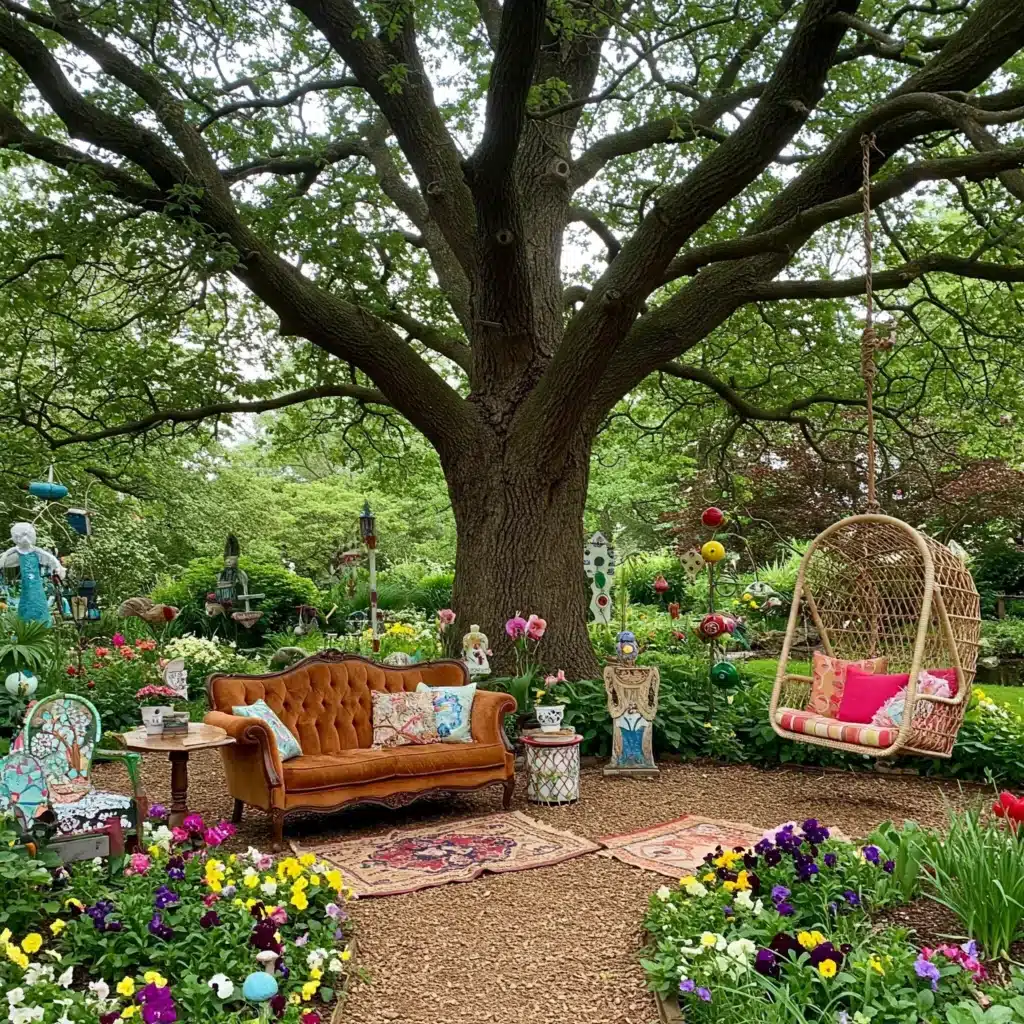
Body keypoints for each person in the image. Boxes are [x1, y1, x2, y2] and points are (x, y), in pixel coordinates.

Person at [0, 522, 65, 625]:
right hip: (27, 584)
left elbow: (50, 559)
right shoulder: (15, 552)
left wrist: (57, 568)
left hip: (36, 583)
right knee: (27, 599)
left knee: (37, 599)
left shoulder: (35, 551)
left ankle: (40, 625)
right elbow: (4, 559)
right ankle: (27, 625)